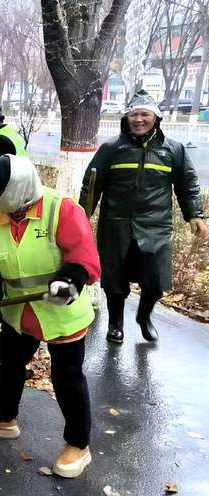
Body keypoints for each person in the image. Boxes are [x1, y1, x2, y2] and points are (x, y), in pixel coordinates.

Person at [0, 154, 99, 479]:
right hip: (17, 311)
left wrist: (70, 278)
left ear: (16, 189)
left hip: (60, 311)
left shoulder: (61, 209)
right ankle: (4, 419)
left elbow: (84, 257)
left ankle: (79, 446)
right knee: (10, 365)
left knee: (67, 379)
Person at [79, 90, 207, 344]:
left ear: (156, 118)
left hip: (156, 226)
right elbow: (91, 184)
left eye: (144, 114)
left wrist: (195, 215)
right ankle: (115, 323)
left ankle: (144, 316)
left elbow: (188, 183)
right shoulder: (111, 150)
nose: (138, 119)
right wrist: (81, 216)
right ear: (127, 118)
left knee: (155, 281)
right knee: (115, 280)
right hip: (116, 224)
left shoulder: (173, 150)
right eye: (134, 114)